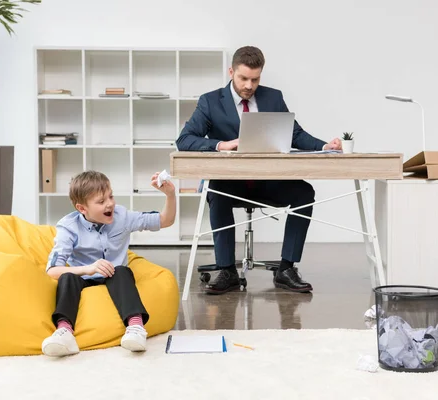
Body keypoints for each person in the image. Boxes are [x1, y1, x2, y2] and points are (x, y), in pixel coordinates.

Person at [176, 46, 342, 295]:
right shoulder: (210, 101)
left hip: (267, 179)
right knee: (216, 192)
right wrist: (221, 145)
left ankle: (287, 269)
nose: (249, 85)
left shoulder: (273, 98)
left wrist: (324, 146)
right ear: (231, 72)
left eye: (255, 79)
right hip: (230, 182)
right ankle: (227, 270)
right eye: (243, 78)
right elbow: (185, 140)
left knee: (304, 193)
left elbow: (294, 133)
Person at [41, 170, 176, 357]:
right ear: (82, 208)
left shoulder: (123, 217)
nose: (110, 203)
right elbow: (52, 270)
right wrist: (88, 269)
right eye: (101, 201)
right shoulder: (68, 227)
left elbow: (166, 220)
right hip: (84, 277)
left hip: (113, 276)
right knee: (67, 278)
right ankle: (64, 332)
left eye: (110, 196)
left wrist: (170, 194)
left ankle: (135, 328)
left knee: (122, 271)